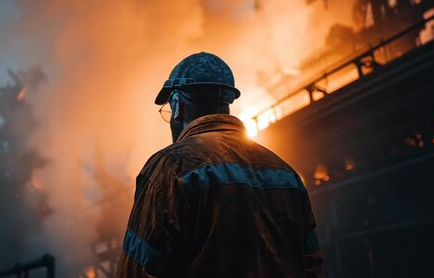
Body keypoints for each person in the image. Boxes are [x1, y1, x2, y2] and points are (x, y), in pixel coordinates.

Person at [115, 52, 323, 277]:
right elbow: (311, 265)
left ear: (176, 105)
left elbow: (136, 271)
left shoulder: (170, 168)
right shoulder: (285, 173)